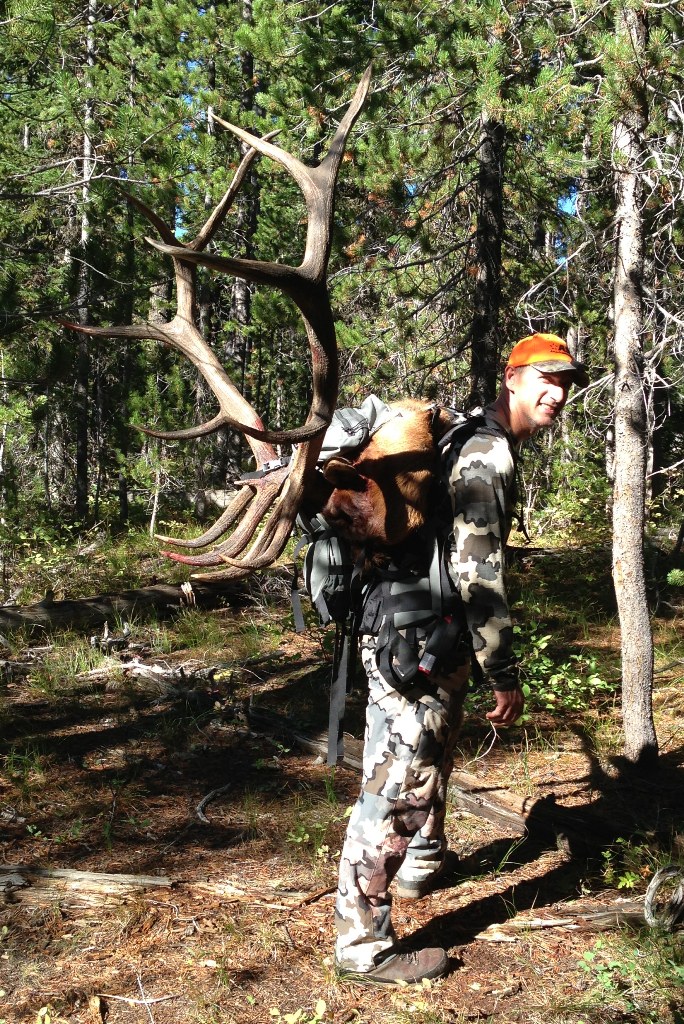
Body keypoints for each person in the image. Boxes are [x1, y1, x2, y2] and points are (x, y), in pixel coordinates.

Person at [334, 333, 589, 985]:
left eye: (566, 380)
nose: (556, 391)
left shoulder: (471, 436)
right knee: (391, 791)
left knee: (412, 768)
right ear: (513, 378)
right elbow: (478, 572)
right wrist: (502, 670)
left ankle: (419, 864)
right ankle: (363, 950)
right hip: (417, 638)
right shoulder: (487, 454)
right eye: (545, 377)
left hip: (407, 629)